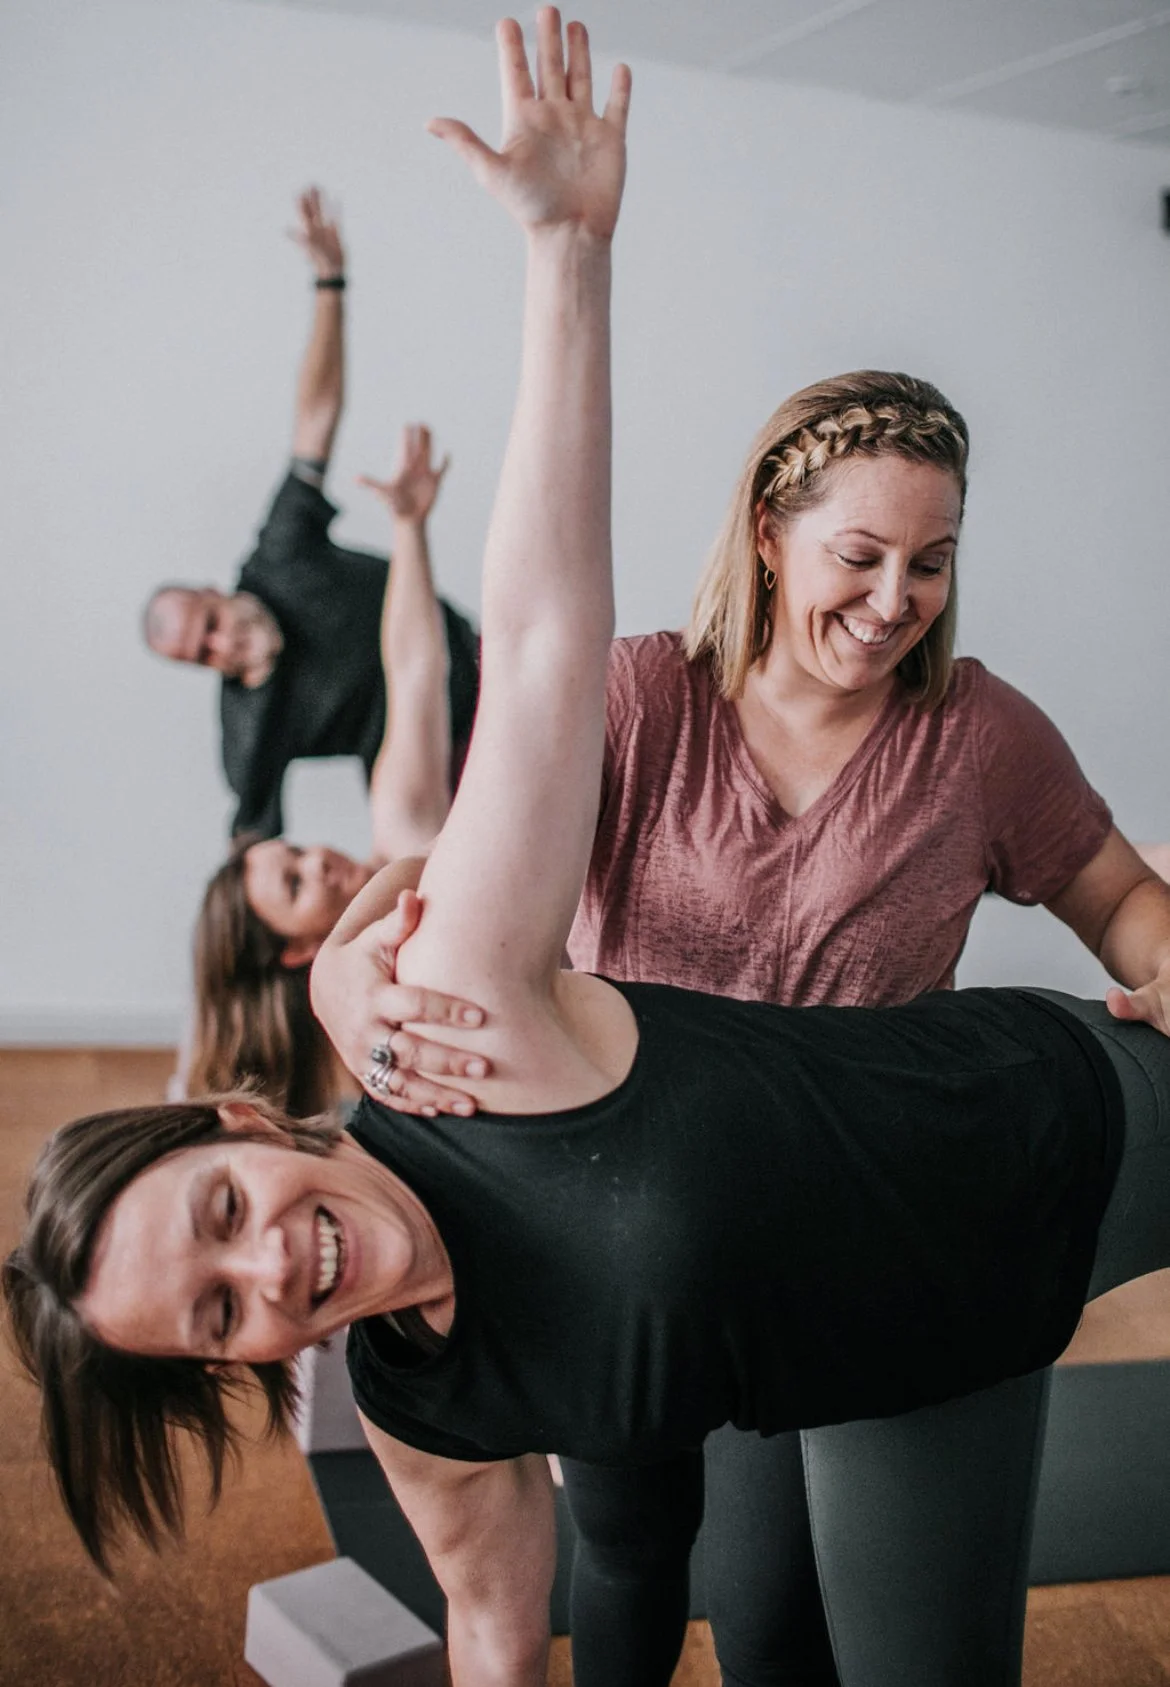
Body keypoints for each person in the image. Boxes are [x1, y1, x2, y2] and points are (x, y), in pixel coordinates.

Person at [7, 21, 1170, 1687]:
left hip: (1003, 1133)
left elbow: (524, 656)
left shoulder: (473, 1028)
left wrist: (565, 255)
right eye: (217, 1307)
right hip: (847, 1309)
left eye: (220, 1209)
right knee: (748, 1619)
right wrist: (356, 922)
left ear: (244, 1126)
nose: (268, 1263)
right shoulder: (419, 1393)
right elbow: (493, 1618)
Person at [142, 187, 480, 839]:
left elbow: (316, 417)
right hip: (450, 784)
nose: (221, 645)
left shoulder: (279, 555)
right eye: (202, 655)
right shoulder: (248, 737)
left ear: (219, 591)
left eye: (211, 623)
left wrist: (330, 280)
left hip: (485, 665)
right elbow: (252, 848)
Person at [186, 422, 484, 1119]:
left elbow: (413, 672)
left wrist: (409, 527)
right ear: (298, 951)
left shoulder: (400, 830)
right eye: (295, 882)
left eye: (295, 852)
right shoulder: (369, 1023)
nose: (318, 860)